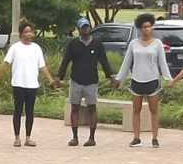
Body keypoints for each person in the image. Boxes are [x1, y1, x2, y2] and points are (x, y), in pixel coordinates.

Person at [118, 15, 169, 148]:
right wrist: (119, 79)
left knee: (154, 110)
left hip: (152, 80)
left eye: (149, 26)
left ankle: (155, 138)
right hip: (137, 80)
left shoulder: (157, 43)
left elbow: (162, 63)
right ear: (140, 29)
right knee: (136, 109)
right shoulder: (134, 43)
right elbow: (126, 62)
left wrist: (168, 78)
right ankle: (136, 137)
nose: (147, 29)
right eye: (144, 27)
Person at [59, 17, 112, 147]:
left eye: (87, 27)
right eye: (83, 27)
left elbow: (104, 61)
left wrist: (110, 76)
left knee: (92, 108)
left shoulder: (97, 44)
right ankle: (75, 137)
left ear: (90, 28)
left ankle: (92, 138)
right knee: (75, 108)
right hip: (76, 80)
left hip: (91, 81)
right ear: (79, 29)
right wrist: (58, 77)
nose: (85, 29)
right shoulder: (73, 44)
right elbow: (66, 61)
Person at [5, 21, 47, 147]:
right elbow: (6, 63)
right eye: (26, 32)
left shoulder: (36, 48)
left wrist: (50, 79)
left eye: (30, 32)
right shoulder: (15, 47)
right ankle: (17, 137)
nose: (29, 34)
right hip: (18, 84)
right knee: (18, 110)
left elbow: (42, 66)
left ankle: (28, 138)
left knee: (30, 112)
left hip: (32, 84)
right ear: (21, 34)